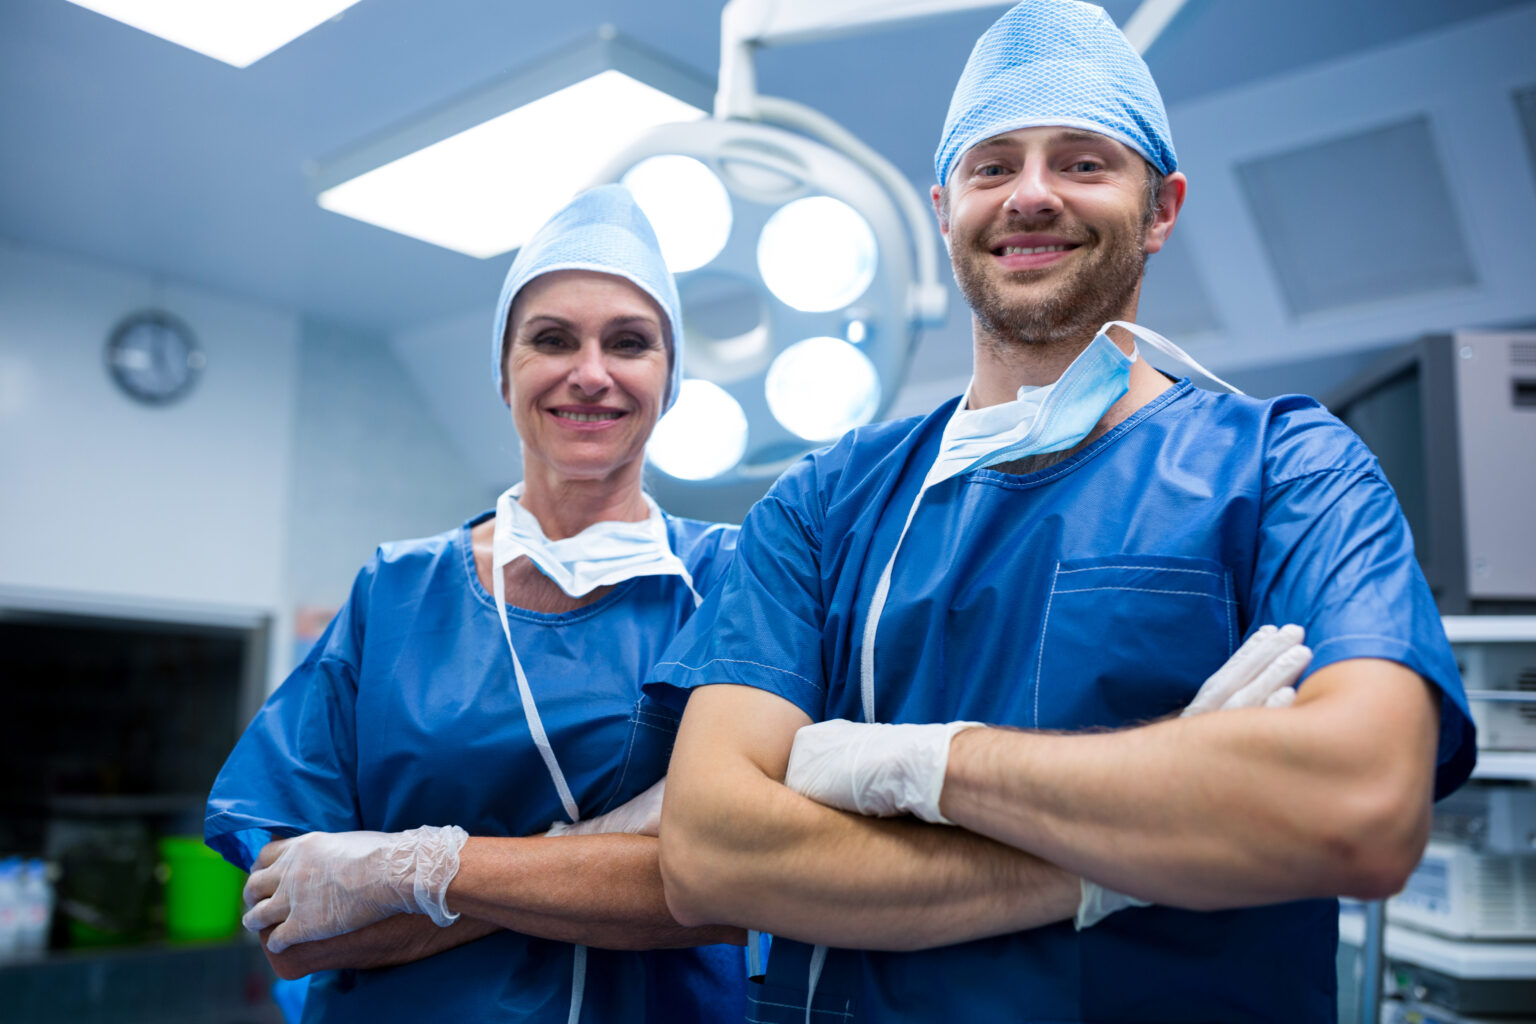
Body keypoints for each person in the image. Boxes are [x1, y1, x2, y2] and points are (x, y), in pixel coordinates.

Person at [648, 2, 1476, 1020]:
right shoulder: (826, 505)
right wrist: (1159, 829)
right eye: (993, 166)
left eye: (1083, 162)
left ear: (1162, 209)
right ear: (945, 209)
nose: (1031, 194)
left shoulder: (1289, 472)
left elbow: (1361, 805)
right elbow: (710, 854)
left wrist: (916, 763)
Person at [205, 185, 746, 1023]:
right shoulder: (396, 593)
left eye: (630, 342)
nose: (590, 373)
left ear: (670, 380)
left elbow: (747, 887)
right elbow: (294, 931)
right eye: (552, 339)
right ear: (503, 373)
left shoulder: (737, 581)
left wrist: (404, 873)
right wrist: (623, 852)